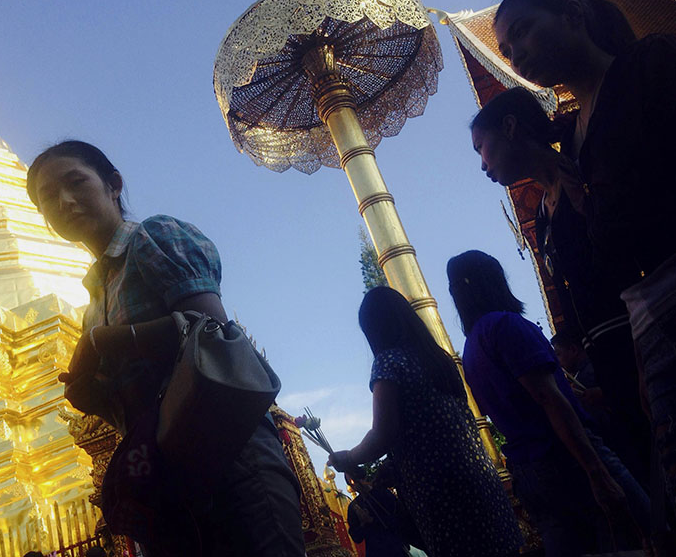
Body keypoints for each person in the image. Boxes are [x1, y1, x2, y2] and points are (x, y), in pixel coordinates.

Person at [26, 140, 304, 557]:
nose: (64, 201)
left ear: (113, 185)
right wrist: (94, 397)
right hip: (167, 484)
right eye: (48, 198)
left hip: (230, 458)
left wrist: (104, 341)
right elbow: (137, 410)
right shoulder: (93, 303)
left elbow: (215, 334)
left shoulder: (153, 237)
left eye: (76, 182)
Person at [493, 0, 676, 503]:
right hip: (651, 327)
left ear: (573, 14)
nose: (516, 55)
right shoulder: (574, 141)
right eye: (506, 51)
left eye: (523, 31)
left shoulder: (651, 65)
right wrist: (642, 358)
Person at [469, 86, 651, 488]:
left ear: (511, 127)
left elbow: (628, 266)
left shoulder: (581, 175)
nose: (482, 165)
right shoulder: (542, 212)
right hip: (606, 362)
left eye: (482, 147)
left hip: (641, 339)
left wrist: (642, 357)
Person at [447, 250, 650, 556]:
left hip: (529, 470)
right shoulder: (506, 326)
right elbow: (549, 399)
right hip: (567, 454)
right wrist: (597, 471)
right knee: (647, 528)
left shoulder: (471, 349)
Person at [328, 287, 522, 557]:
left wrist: (348, 457)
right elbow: (432, 427)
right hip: (482, 482)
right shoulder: (439, 359)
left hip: (441, 493)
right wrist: (394, 466)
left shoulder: (389, 362)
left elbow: (382, 434)